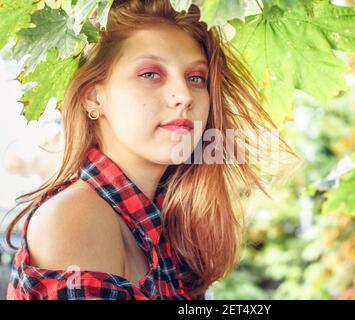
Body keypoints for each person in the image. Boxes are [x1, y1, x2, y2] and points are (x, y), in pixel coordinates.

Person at [4, 0, 294, 300]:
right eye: (151, 74)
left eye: (196, 78)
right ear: (93, 96)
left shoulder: (163, 227)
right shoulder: (76, 217)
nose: (184, 95)